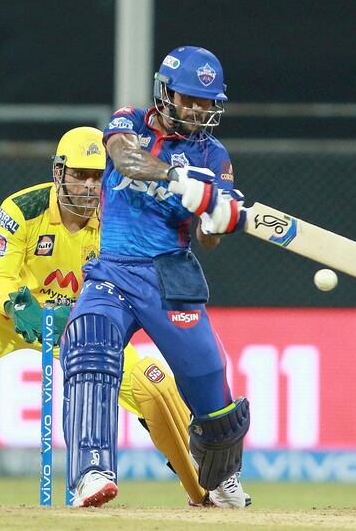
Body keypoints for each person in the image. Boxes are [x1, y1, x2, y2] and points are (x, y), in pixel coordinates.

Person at [0, 127, 208, 506]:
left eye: (98, 176)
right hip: (2, 316)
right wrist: (17, 305)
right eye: (80, 175)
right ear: (59, 173)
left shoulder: (115, 217)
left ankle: (205, 488)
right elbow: (0, 276)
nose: (89, 186)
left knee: (152, 386)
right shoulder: (21, 208)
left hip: (76, 322)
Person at [62, 46, 251, 509]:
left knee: (208, 375)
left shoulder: (215, 155)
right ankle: (91, 471)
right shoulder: (129, 121)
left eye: (208, 103)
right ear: (165, 93)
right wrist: (178, 179)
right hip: (114, 270)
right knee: (89, 342)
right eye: (191, 99)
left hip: (171, 274)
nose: (200, 110)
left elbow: (210, 238)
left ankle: (222, 478)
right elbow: (126, 160)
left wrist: (215, 219)